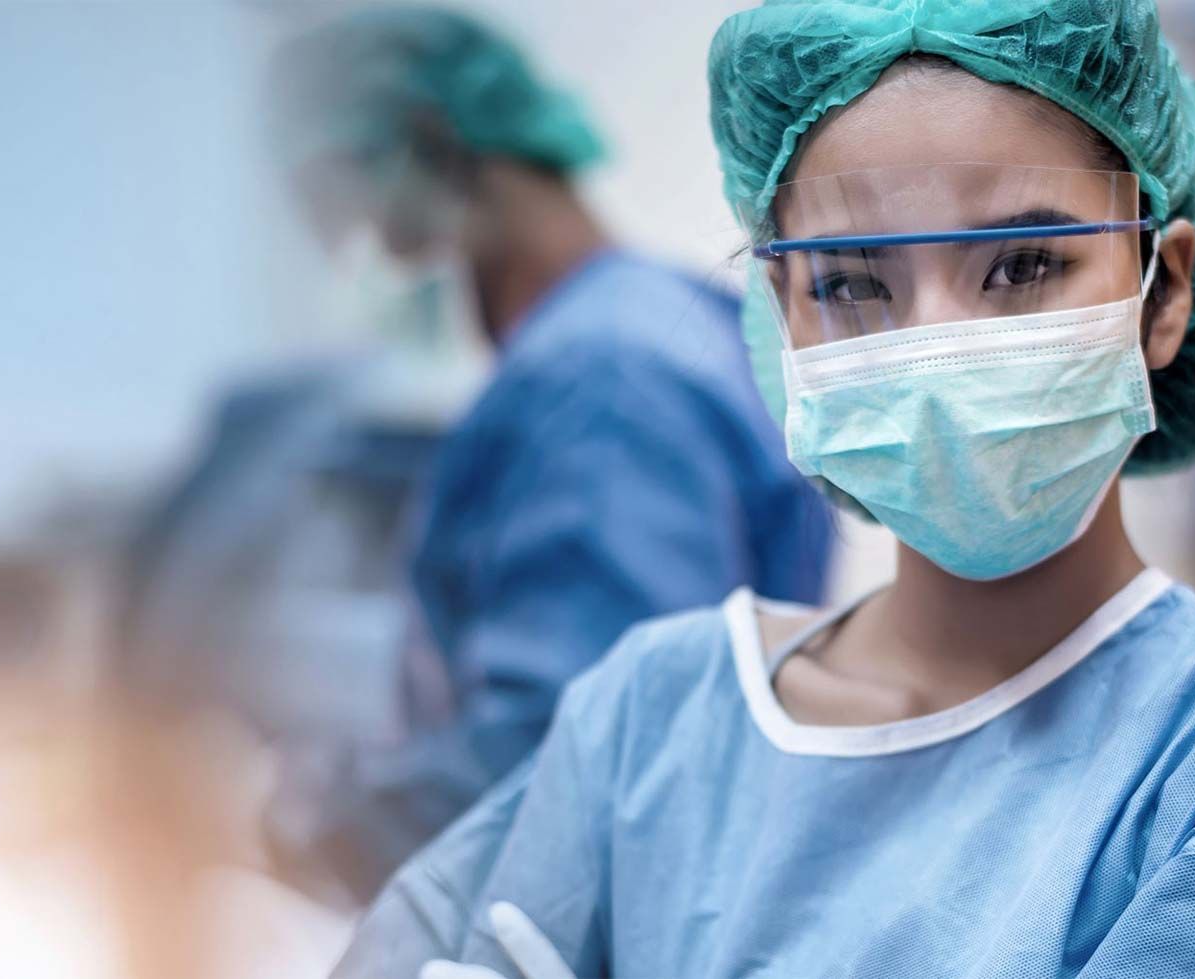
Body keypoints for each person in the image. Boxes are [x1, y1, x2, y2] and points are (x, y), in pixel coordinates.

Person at [334, 2, 1195, 977]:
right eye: (853, 284)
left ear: (1162, 291)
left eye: (1024, 265)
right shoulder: (649, 719)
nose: (937, 349)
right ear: (781, 317)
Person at [258, 6, 836, 905]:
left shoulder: (599, 382)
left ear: (432, 145)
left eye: (357, 221)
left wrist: (304, 817)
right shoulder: (667, 319)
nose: (363, 261)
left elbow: (563, 760)